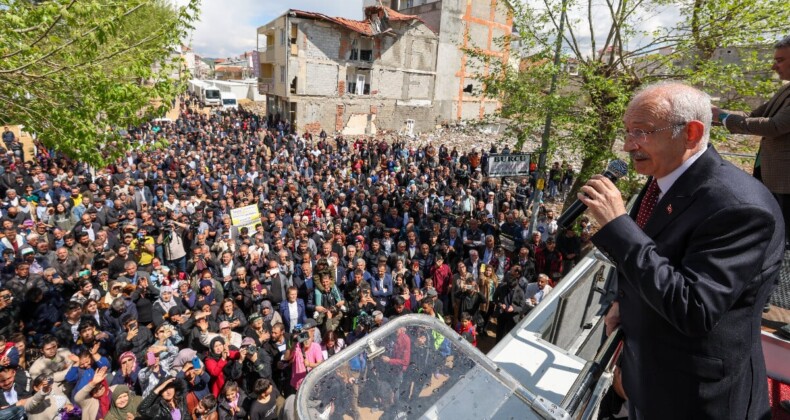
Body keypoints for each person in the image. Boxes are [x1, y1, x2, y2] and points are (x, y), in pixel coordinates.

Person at [579, 82, 784, 419]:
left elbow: (694, 308)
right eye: (627, 131)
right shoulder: (664, 175)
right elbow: (655, 255)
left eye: (642, 132)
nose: (628, 145)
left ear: (691, 133)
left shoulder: (740, 208)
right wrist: (621, 299)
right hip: (648, 372)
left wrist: (617, 224)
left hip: (695, 396)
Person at [713, 35, 790, 246]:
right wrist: (717, 116)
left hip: (785, 182)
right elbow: (752, 116)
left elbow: (775, 126)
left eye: (781, 60)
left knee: (781, 236)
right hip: (767, 171)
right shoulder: (785, 89)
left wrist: (723, 117)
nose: (774, 66)